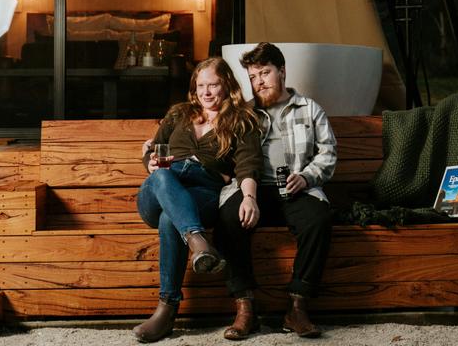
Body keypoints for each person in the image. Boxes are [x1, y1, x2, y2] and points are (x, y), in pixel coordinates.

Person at [133, 57, 262, 343]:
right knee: (163, 175)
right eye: (201, 85)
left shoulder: (241, 120)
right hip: (160, 188)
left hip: (203, 192)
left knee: (170, 219)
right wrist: (149, 161)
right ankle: (197, 240)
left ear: (227, 85)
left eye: (213, 85)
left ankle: (166, 311)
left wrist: (249, 197)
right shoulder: (179, 113)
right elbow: (153, 149)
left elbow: (248, 166)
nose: (206, 92)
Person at [216, 42, 337, 340]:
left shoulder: (310, 109)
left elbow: (328, 153)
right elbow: (218, 150)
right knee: (228, 218)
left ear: (282, 71)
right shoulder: (243, 113)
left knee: (318, 219)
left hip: (296, 189)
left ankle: (297, 307)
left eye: (265, 73)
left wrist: (306, 177)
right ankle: (245, 308)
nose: (259, 82)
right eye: (253, 77)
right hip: (252, 189)